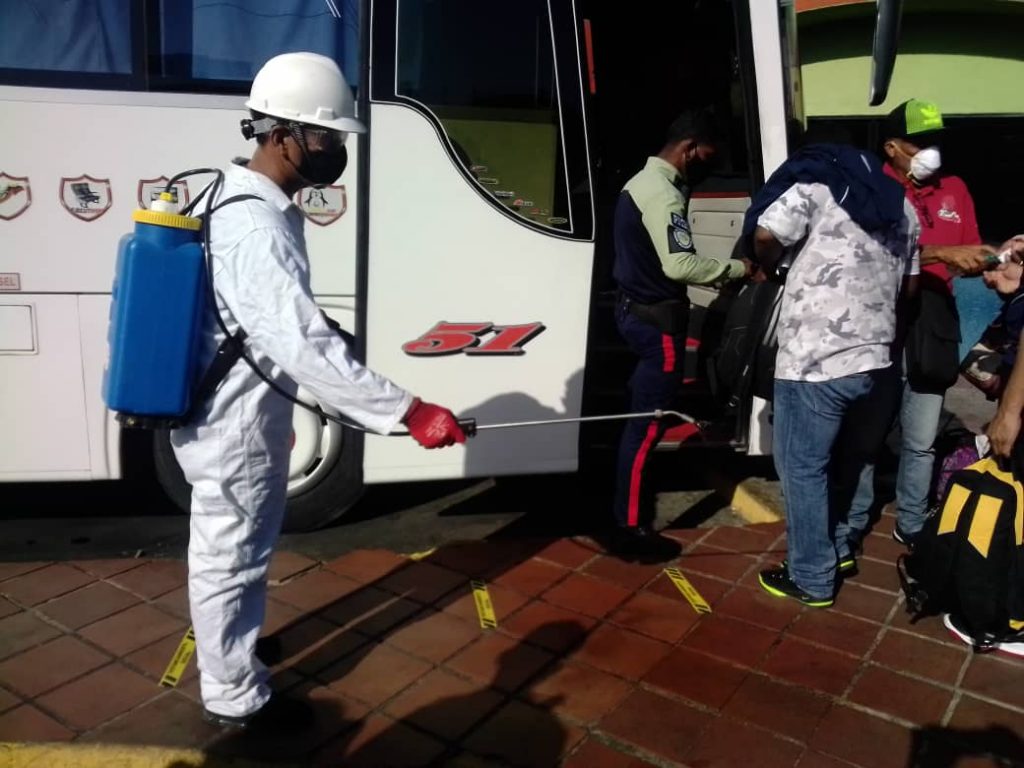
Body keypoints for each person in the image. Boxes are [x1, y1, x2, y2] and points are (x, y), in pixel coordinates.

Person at [169, 52, 466, 730]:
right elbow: (299, 345)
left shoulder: (239, 197)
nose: (335, 150)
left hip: (240, 412)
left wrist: (334, 333)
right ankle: (233, 695)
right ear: (280, 136)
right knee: (229, 555)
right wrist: (409, 412)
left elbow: (274, 317)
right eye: (324, 136)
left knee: (243, 548)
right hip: (233, 423)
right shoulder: (257, 225)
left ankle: (233, 647)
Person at [750, 141, 921, 606]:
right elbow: (910, 287)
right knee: (849, 460)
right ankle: (839, 546)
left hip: (813, 360)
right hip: (875, 361)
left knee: (802, 469)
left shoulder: (814, 188)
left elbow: (765, 234)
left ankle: (811, 576)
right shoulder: (904, 206)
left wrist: (776, 266)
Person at [849, 99, 997, 549]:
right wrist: (939, 253)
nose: (931, 151)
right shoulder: (871, 188)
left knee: (921, 436)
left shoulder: (954, 188)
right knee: (867, 433)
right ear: (891, 147)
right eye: (919, 143)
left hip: (933, 321)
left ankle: (911, 521)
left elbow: (970, 249)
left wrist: (992, 257)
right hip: (880, 323)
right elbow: (869, 254)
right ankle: (854, 519)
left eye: (936, 141)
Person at [606, 109, 749, 562]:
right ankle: (631, 528)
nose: (711, 163)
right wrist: (740, 268)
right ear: (689, 148)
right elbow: (680, 265)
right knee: (646, 428)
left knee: (640, 418)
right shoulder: (664, 195)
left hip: (633, 313)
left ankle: (627, 513)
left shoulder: (639, 182)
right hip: (658, 327)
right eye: (708, 154)